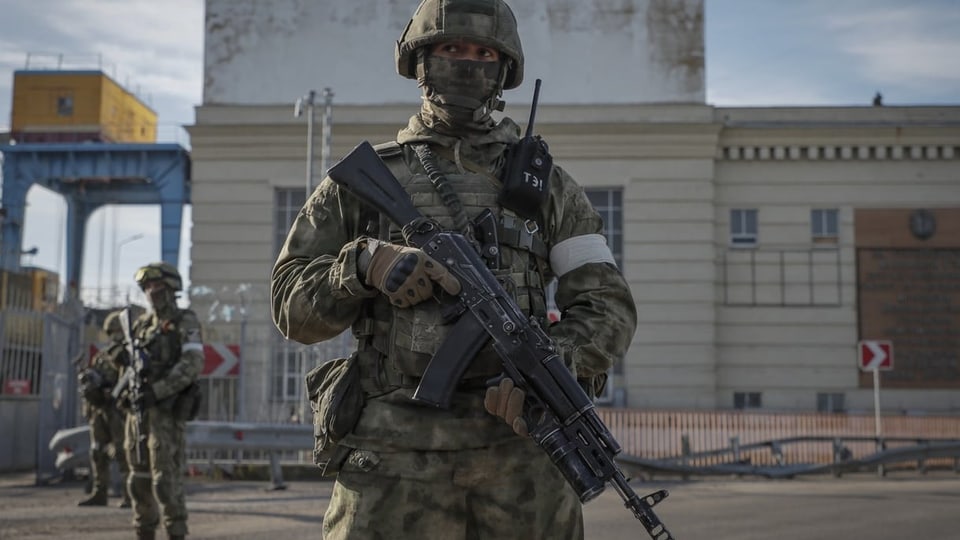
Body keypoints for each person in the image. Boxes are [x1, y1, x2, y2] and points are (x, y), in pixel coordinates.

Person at [271, 0, 638, 538]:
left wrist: (547, 369)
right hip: (391, 459)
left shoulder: (548, 188)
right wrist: (363, 265)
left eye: (483, 52)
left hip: (520, 459)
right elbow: (290, 305)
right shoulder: (362, 183)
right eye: (450, 48)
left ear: (503, 69)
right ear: (421, 61)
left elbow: (608, 306)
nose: (467, 63)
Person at [115, 262, 204, 540]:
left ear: (171, 289)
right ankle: (144, 532)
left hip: (165, 413)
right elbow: (129, 370)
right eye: (148, 287)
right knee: (137, 482)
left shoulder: (184, 321)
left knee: (165, 482)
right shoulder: (140, 325)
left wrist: (160, 389)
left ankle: (176, 532)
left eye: (157, 286)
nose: (152, 291)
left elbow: (193, 362)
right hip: (138, 413)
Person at [76, 310, 132, 508]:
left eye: (116, 331)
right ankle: (100, 492)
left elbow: (129, 380)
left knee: (123, 453)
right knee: (97, 451)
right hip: (99, 411)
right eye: (111, 332)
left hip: (118, 411)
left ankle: (129, 495)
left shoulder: (127, 355)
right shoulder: (102, 356)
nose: (113, 335)